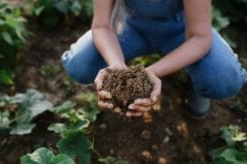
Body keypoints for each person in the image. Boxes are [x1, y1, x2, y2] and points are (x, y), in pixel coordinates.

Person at [61, 0, 247, 119]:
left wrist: (149, 73)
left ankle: (200, 88)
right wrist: (116, 65)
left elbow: (199, 37)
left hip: (182, 32)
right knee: (80, 65)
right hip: (129, 27)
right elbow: (101, 26)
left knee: (223, 80)